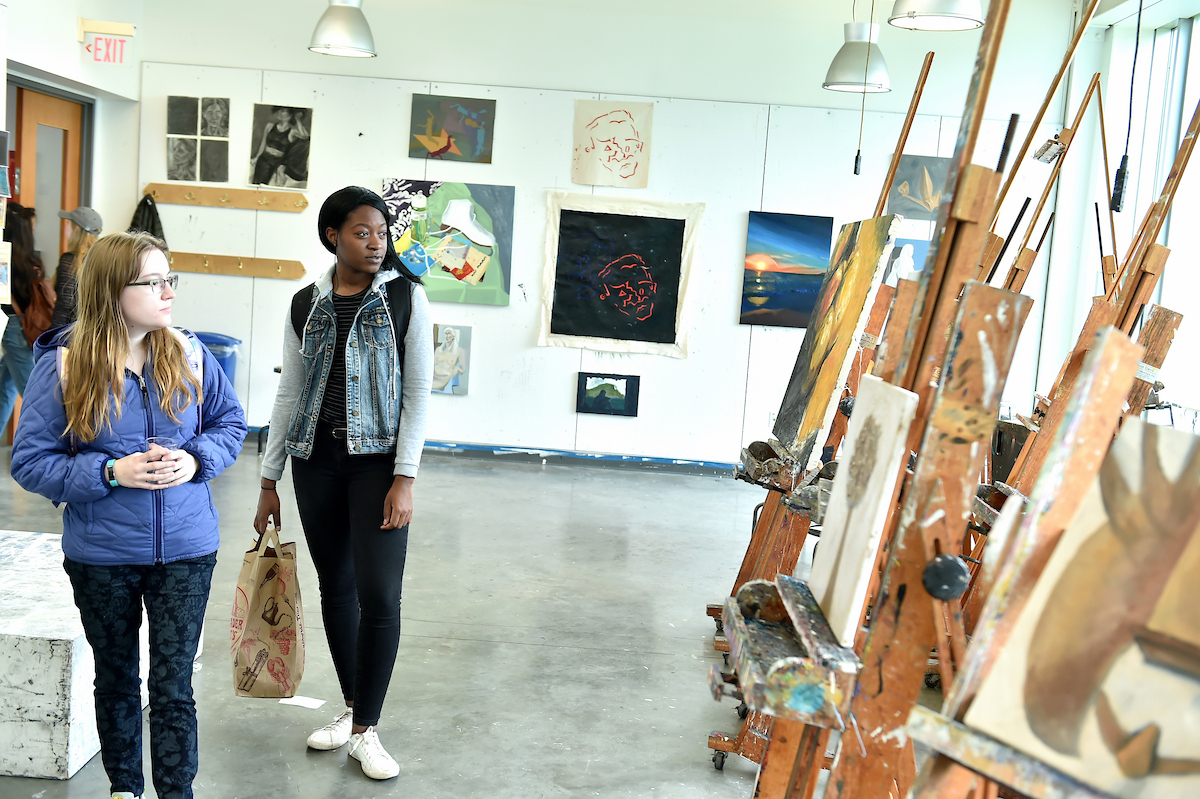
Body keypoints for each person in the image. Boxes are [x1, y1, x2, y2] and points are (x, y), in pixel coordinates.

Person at [10, 231, 247, 799]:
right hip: (103, 556)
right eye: (153, 281)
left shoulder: (189, 353)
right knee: (116, 679)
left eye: (170, 279)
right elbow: (30, 461)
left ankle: (176, 793)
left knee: (173, 687)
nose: (169, 292)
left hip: (187, 550)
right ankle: (125, 790)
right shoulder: (64, 364)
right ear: (112, 289)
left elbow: (230, 424)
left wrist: (196, 460)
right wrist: (110, 473)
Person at [256, 186, 432, 780]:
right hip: (315, 461)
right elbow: (289, 392)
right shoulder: (305, 304)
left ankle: (366, 731)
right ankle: (355, 713)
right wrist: (268, 479)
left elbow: (418, 394)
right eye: (362, 232)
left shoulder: (406, 298)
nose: (376, 242)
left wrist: (404, 477)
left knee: (379, 594)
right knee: (336, 587)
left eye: (382, 232)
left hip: (377, 465)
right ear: (333, 236)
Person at [0, 202, 44, 433]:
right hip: (24, 328)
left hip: (12, 328)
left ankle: (45, 441)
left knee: (26, 393)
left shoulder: (6, 260)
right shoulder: (31, 262)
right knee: (8, 390)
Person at [51, 206, 103, 327]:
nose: (65, 227)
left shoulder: (70, 261)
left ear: (76, 229)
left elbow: (64, 305)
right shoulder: (101, 259)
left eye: (68, 223)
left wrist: (54, 335)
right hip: (94, 330)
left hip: (72, 331)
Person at [251, 107, 308, 186]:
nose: (279, 112)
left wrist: (298, 119)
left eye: (283, 111)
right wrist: (257, 157)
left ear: (290, 115)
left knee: (279, 179)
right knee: (259, 184)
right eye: (279, 110)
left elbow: (305, 136)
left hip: (279, 161)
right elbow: (263, 144)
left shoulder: (292, 131)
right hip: (265, 158)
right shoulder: (269, 126)